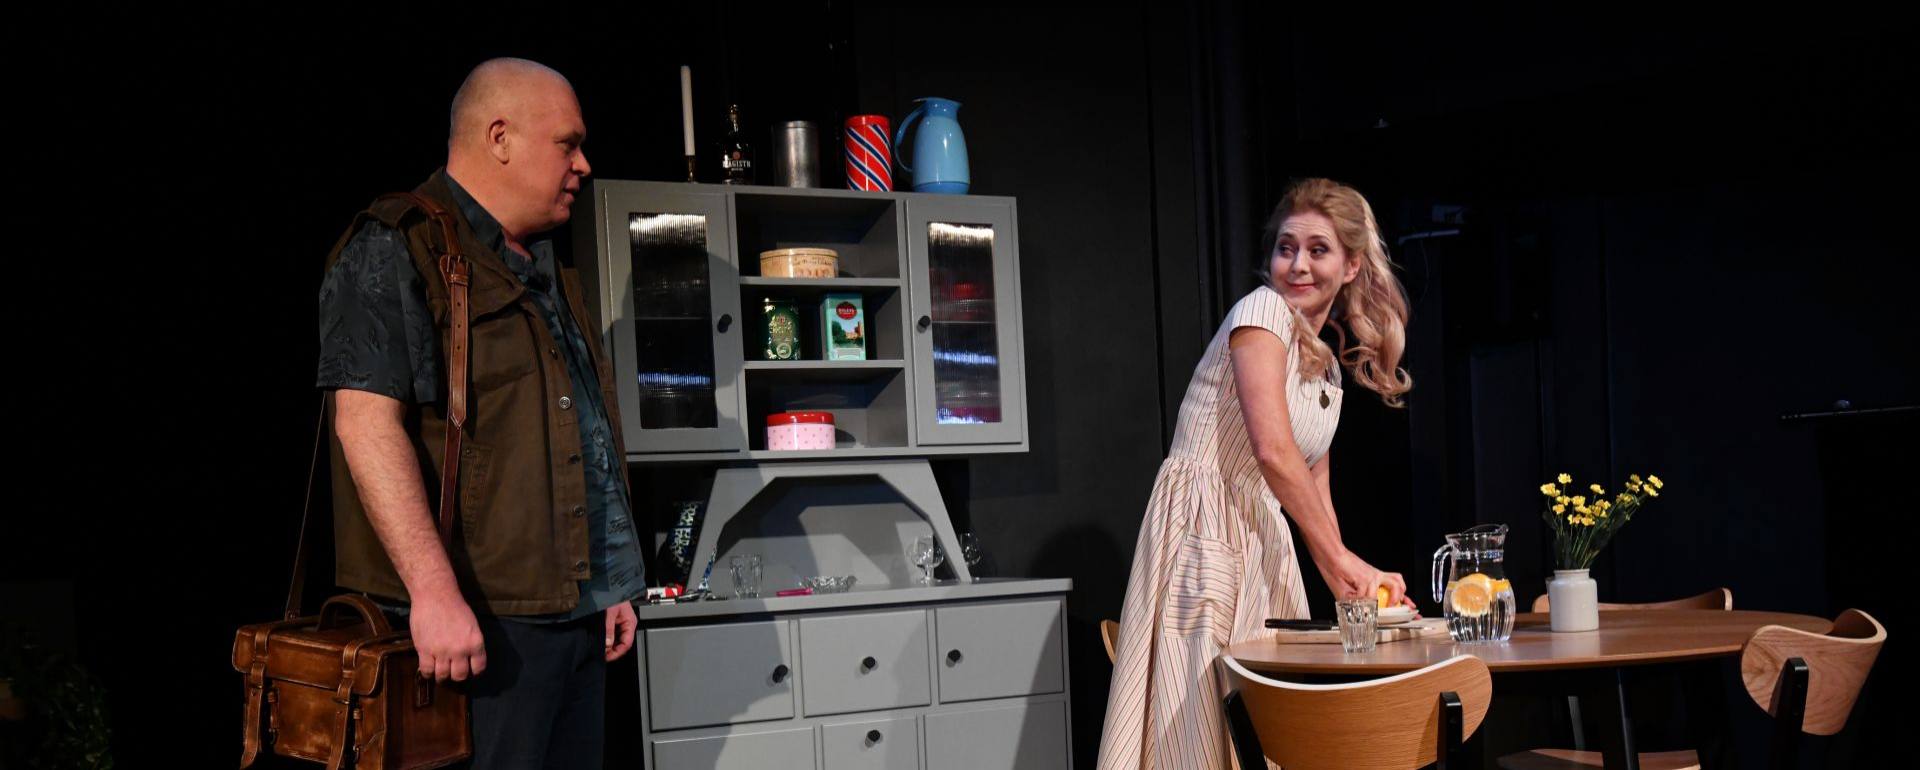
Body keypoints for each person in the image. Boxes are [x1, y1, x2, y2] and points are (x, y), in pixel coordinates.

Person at [315, 57, 642, 769]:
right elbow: (364, 425)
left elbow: (575, 427)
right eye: (567, 144)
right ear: (500, 138)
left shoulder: (544, 264)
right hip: (480, 624)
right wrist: (433, 593)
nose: (583, 166)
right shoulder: (395, 245)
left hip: (571, 616)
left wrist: (605, 582)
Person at [1097, 178, 1418, 769]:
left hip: (1262, 546)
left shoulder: (1326, 373)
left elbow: (1314, 494)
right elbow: (1272, 451)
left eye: (1318, 250)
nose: (1298, 265)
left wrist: (1352, 584)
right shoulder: (1261, 312)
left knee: (1256, 739)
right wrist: (1343, 562)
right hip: (1205, 532)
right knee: (1195, 734)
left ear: (1350, 266)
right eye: (1286, 248)